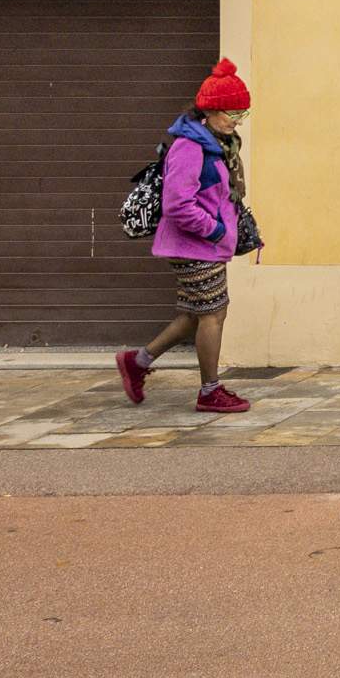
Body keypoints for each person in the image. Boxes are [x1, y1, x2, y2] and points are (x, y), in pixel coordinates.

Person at [115, 58, 257, 415]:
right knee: (214, 313)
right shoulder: (190, 146)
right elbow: (178, 203)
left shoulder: (218, 141)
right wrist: (217, 230)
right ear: (209, 111)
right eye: (232, 114)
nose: (237, 122)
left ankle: (138, 361)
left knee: (194, 315)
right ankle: (210, 391)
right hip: (195, 245)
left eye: (243, 114)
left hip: (205, 245)